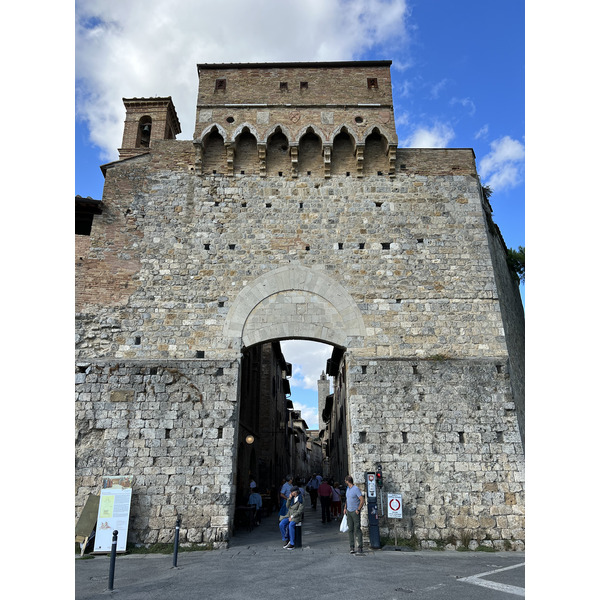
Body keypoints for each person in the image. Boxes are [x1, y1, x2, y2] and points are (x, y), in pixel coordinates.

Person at [343, 475, 365, 554]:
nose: (345, 482)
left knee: (357, 529)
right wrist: (345, 508)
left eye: (345, 481)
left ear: (348, 481)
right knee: (350, 529)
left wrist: (358, 509)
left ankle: (360, 546)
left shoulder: (356, 489)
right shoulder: (347, 489)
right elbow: (347, 499)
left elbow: (362, 500)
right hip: (349, 511)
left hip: (355, 512)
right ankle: (352, 546)